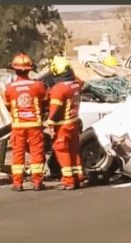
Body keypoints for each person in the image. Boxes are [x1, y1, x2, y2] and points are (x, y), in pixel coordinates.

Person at [4, 53, 48, 192]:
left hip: (18, 125)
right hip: (34, 124)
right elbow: (45, 100)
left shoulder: (9, 88)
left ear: (14, 69)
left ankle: (17, 183)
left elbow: (7, 104)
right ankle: (37, 182)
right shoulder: (38, 85)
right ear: (29, 69)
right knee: (37, 153)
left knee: (18, 154)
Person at [47, 55, 85, 190]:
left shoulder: (59, 89)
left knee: (62, 150)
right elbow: (81, 81)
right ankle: (78, 177)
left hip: (63, 125)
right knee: (74, 151)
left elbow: (55, 110)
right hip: (74, 122)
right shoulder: (76, 84)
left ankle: (68, 180)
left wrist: (49, 122)